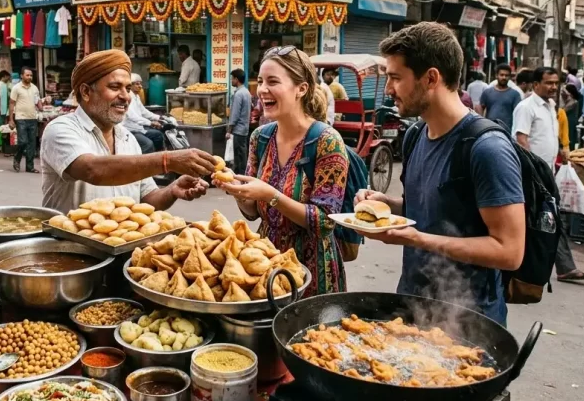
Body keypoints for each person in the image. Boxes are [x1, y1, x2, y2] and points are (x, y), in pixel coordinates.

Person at [356, 23, 526, 325]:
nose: (388, 90)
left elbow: (509, 251)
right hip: (412, 306)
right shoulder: (415, 135)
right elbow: (424, 211)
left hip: (469, 321)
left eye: (396, 78)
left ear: (431, 78)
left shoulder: (487, 148)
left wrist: (419, 240)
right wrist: (385, 205)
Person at [216, 46, 351, 295]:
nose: (262, 90)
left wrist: (270, 194)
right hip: (263, 264)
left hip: (312, 271)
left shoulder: (327, 141)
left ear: (301, 88)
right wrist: (239, 193)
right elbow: (253, 213)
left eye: (273, 81)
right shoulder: (260, 138)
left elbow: (325, 221)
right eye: (260, 81)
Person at [38, 49, 214, 216]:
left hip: (120, 247)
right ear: (85, 92)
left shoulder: (128, 139)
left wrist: (172, 190)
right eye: (115, 87)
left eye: (128, 89)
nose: (126, 96)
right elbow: (91, 169)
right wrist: (168, 160)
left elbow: (147, 200)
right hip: (71, 247)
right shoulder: (60, 129)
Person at [512, 67, 584, 283]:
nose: (553, 87)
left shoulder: (552, 107)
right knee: (544, 218)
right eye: (548, 83)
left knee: (546, 218)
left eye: (556, 83)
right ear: (535, 84)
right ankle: (525, 267)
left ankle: (560, 266)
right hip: (533, 175)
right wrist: (534, 171)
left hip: (547, 172)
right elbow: (521, 139)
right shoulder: (526, 107)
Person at [123, 74, 165, 155]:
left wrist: (159, 117)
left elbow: (144, 111)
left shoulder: (136, 97)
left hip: (138, 128)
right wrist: (150, 123)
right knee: (148, 144)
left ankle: (157, 159)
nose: (140, 86)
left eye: (140, 84)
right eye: (137, 84)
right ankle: (143, 164)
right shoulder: (128, 97)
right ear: (130, 85)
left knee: (158, 135)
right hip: (130, 130)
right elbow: (133, 117)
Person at [9, 68, 41, 172]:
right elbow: (11, 103)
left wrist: (43, 106)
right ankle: (17, 159)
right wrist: (11, 119)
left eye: (31, 75)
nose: (29, 77)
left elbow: (38, 102)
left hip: (32, 118)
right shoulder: (16, 88)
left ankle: (30, 166)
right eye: (27, 75)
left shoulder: (35, 88)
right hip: (21, 118)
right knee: (23, 142)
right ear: (22, 76)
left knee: (32, 143)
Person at [479, 64, 522, 129]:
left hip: (507, 132)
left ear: (509, 77)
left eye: (506, 75)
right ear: (496, 76)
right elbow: (480, 108)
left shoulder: (515, 94)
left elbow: (518, 114)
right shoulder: (487, 92)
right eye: (501, 75)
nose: (504, 77)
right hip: (489, 130)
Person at [228, 69, 252, 173]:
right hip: (245, 128)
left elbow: (235, 115)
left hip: (238, 130)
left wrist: (229, 130)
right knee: (243, 154)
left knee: (239, 157)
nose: (231, 81)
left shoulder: (238, 94)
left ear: (236, 79)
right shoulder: (246, 92)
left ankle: (240, 178)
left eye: (232, 79)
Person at [562, 83, 582, 150]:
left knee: (569, 138)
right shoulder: (571, 101)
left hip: (570, 122)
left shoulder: (573, 102)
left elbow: (563, 110)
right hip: (571, 121)